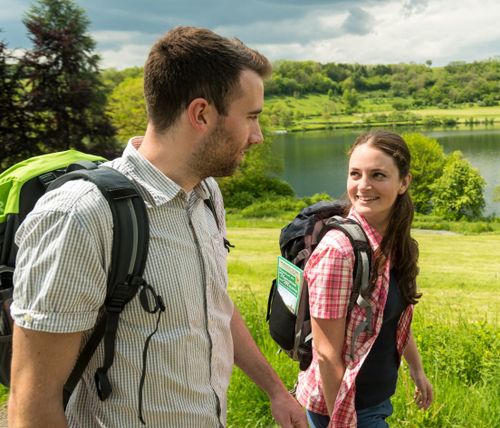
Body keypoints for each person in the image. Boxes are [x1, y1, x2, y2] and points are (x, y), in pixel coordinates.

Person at [8, 26, 305, 427]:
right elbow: (32, 406)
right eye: (251, 117)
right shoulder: (80, 217)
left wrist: (276, 390)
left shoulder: (206, 194)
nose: (258, 136)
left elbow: (214, 305)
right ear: (201, 113)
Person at [296, 131, 433, 427]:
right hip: (341, 410)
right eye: (355, 174)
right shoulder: (339, 252)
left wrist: (417, 370)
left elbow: (394, 318)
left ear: (403, 183)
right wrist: (343, 423)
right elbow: (326, 354)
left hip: (375, 402)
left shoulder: (394, 244)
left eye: (378, 175)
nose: (363, 186)